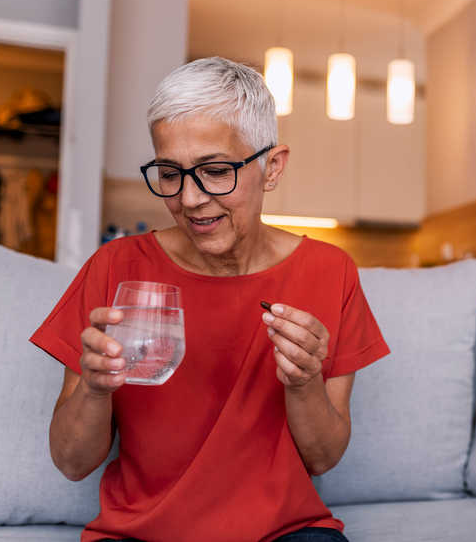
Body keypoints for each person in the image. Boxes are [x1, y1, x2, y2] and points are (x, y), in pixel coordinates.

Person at [30, 57, 390, 542]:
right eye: (169, 173)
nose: (191, 199)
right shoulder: (116, 268)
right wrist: (95, 391)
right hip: (140, 535)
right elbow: (71, 463)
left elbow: (322, 458)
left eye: (215, 170)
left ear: (272, 167)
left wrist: (304, 383)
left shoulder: (330, 272)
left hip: (285, 533)